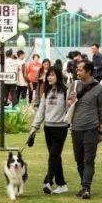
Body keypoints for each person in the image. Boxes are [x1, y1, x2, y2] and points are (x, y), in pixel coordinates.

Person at [67, 60, 102, 199]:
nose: (77, 72)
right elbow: (68, 106)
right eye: (77, 69)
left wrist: (101, 131)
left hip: (91, 128)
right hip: (76, 128)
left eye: (80, 70)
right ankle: (84, 184)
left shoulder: (99, 89)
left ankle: (86, 187)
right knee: (79, 160)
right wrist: (71, 101)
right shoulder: (74, 85)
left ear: (88, 71)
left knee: (89, 159)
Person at [28, 66, 69, 194]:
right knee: (55, 156)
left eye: (52, 75)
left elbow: (70, 110)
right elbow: (41, 111)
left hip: (61, 128)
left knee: (53, 155)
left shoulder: (66, 92)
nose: (49, 77)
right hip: (48, 128)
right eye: (48, 75)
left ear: (58, 76)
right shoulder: (47, 92)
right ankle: (61, 184)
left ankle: (48, 181)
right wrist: (34, 127)